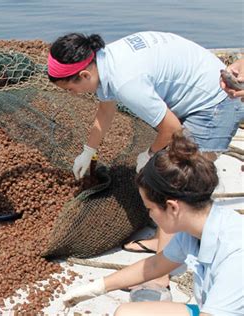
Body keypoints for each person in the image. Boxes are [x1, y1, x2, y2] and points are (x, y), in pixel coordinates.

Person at [48, 31, 244, 289]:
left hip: (215, 104)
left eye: (71, 89)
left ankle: (159, 276)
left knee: (173, 181)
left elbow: (172, 128)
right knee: (165, 174)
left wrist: (149, 155)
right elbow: (106, 108)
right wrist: (89, 150)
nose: (73, 94)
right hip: (195, 92)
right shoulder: (105, 61)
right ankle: (167, 243)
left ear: (85, 74)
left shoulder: (126, 81)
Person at [61, 130, 243, 315]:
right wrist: (96, 288)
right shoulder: (194, 230)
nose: (150, 216)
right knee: (127, 313)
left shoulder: (236, 256)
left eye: (150, 209)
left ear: (172, 207)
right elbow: (156, 265)